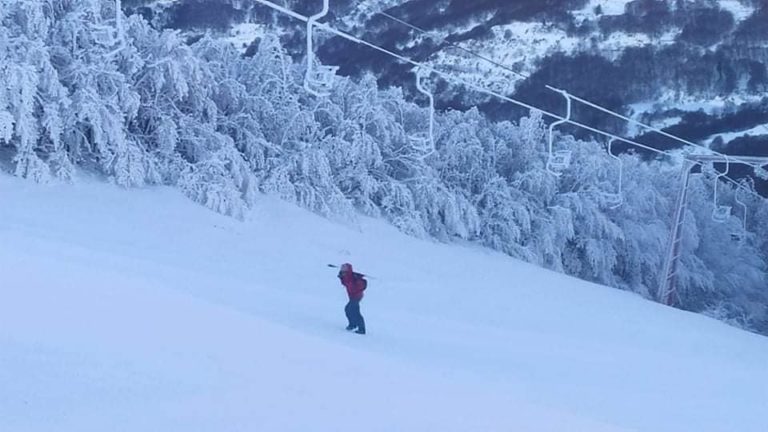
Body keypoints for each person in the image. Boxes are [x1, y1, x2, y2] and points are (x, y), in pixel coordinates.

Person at [338, 263, 367, 335]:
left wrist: (359, 278)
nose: (342, 270)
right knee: (349, 310)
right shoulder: (346, 277)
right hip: (351, 296)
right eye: (342, 268)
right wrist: (341, 277)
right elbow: (344, 283)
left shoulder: (353, 277)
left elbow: (362, 286)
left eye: (344, 268)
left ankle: (361, 329)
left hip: (357, 296)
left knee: (353, 311)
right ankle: (353, 324)